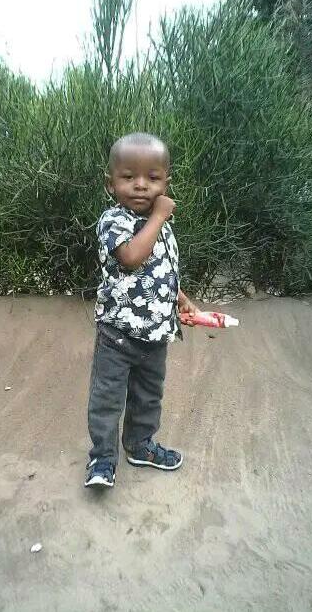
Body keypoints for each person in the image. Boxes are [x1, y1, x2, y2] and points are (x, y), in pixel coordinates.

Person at [85, 132, 199, 488]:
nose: (140, 185)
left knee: (149, 396)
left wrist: (179, 297)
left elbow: (159, 270)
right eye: (128, 176)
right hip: (117, 334)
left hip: (155, 334)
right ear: (110, 183)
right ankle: (102, 460)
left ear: (165, 183)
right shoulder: (113, 220)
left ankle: (139, 446)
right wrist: (160, 216)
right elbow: (132, 258)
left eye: (152, 177)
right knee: (107, 398)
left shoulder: (161, 226)